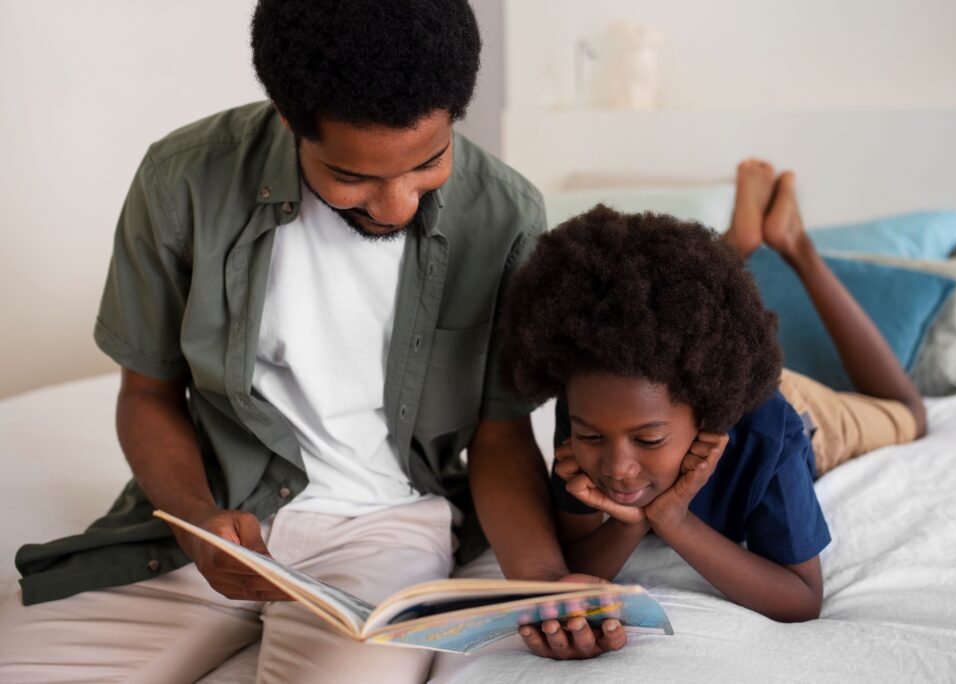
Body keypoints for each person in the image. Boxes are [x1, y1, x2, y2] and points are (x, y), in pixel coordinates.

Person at [0, 1, 602, 681]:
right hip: (205, 519)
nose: (398, 206)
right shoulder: (183, 180)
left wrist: (543, 585)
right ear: (289, 120)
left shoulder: (505, 214)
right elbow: (147, 392)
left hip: (384, 533)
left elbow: (499, 435)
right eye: (353, 177)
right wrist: (198, 519)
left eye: (429, 162)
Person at [499, 161, 926, 658]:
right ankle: (739, 240)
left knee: (910, 414)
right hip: (696, 369)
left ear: (707, 416)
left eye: (649, 440)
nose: (616, 467)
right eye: (592, 437)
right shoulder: (591, 411)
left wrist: (674, 521)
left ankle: (795, 245)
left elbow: (801, 599)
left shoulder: (771, 434)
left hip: (808, 411)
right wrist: (633, 520)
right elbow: (570, 563)